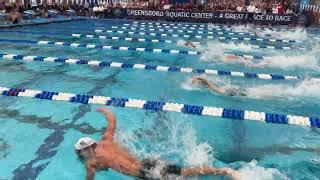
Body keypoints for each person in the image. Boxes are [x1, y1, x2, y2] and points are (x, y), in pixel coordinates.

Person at [75, 108, 240, 180]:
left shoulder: (91, 162)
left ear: (84, 151)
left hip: (143, 173)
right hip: (147, 162)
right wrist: (105, 111)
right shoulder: (106, 140)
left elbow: (90, 178)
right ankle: (223, 170)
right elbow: (112, 120)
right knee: (183, 171)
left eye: (80, 153)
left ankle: (221, 172)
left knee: (183, 173)